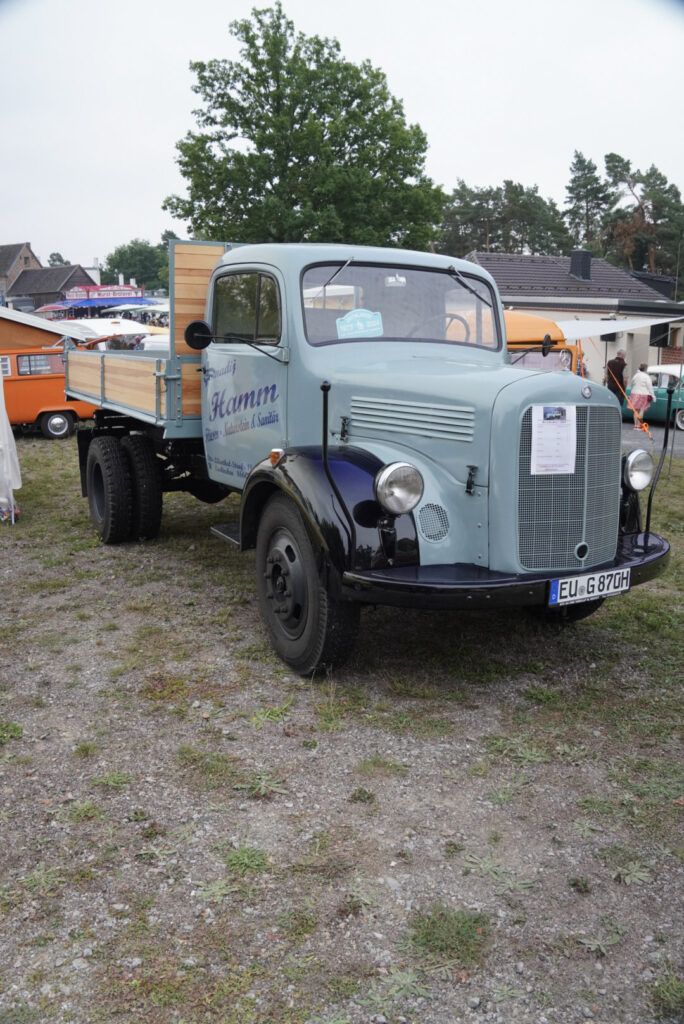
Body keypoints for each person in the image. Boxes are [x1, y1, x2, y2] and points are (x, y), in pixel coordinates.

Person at [628, 363, 656, 429]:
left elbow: (632, 384)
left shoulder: (636, 375)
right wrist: (653, 396)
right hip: (643, 394)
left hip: (634, 393)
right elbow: (649, 387)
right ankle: (639, 425)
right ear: (646, 369)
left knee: (636, 411)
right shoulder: (646, 377)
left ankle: (635, 425)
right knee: (641, 410)